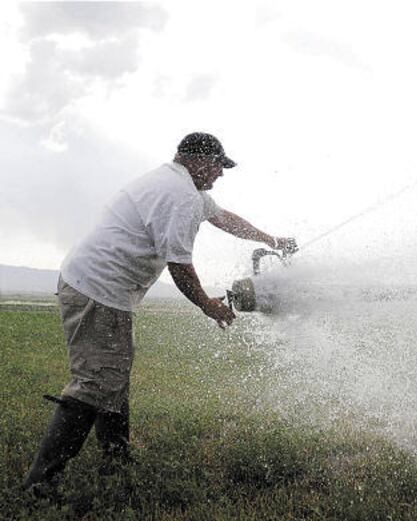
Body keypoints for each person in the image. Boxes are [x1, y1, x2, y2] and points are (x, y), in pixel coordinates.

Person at [23, 132, 297, 490]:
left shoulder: (185, 189)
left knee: (113, 371)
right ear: (198, 161)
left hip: (100, 288)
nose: (221, 174)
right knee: (95, 381)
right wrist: (208, 305)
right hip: (98, 290)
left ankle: (115, 456)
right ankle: (41, 482)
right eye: (219, 166)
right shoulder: (179, 196)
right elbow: (180, 266)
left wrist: (271, 240)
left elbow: (225, 218)